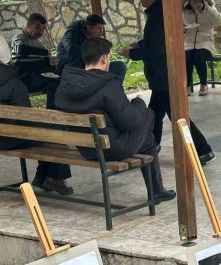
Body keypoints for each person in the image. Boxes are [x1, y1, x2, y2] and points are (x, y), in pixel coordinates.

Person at [55, 37, 176, 204]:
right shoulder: (108, 85)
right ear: (105, 58)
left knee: (147, 140)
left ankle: (156, 189)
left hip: (85, 147)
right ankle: (156, 192)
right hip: (111, 149)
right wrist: (138, 103)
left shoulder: (66, 84)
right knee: (149, 114)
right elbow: (130, 122)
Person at [120, 0, 214, 165]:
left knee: (177, 115)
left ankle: (203, 149)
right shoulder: (163, 11)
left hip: (164, 73)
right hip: (162, 74)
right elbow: (158, 42)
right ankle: (151, 146)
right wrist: (140, 44)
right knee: (155, 113)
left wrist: (133, 53)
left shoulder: (157, 16)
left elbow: (158, 50)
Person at [0, 36, 73, 195]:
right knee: (56, 130)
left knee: (47, 131)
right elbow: (26, 118)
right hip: (11, 138)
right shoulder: (13, 84)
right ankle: (53, 177)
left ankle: (43, 177)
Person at [56, 14, 126, 83]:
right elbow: (72, 51)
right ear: (89, 28)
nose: (101, 32)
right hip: (72, 69)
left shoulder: (93, 36)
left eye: (102, 28)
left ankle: (114, 90)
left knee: (120, 66)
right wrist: (92, 44)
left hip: (90, 68)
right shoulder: (72, 32)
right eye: (98, 28)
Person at [182, 0, 221, 96]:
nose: (195, 2)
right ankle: (187, 86)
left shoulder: (209, 8)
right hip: (189, 42)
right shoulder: (184, 10)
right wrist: (182, 28)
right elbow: (178, 24)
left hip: (206, 41)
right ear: (189, 0)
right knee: (187, 57)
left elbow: (219, 21)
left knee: (198, 56)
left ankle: (203, 84)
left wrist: (205, 9)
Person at [11, 13, 60, 108]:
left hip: (38, 77)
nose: (40, 31)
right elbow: (20, 49)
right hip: (24, 78)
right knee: (54, 83)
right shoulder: (19, 38)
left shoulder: (38, 43)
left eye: (43, 28)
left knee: (62, 80)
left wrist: (53, 65)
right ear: (28, 26)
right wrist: (44, 52)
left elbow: (43, 63)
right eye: (37, 27)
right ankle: (52, 114)